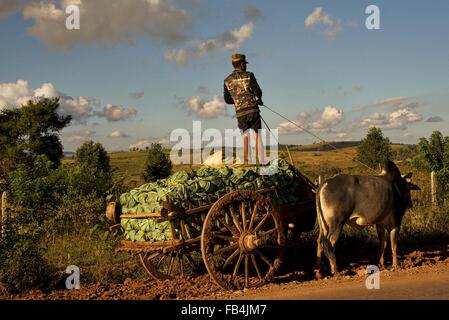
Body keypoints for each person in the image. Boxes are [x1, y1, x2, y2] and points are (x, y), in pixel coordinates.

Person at [224, 53, 264, 164]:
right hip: (253, 110)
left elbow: (227, 100)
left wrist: (237, 101)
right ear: (241, 64)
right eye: (245, 64)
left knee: (245, 135)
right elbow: (257, 91)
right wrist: (259, 99)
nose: (245, 66)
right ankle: (261, 160)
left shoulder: (227, 80)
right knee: (257, 134)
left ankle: (247, 160)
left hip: (240, 112)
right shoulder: (249, 75)